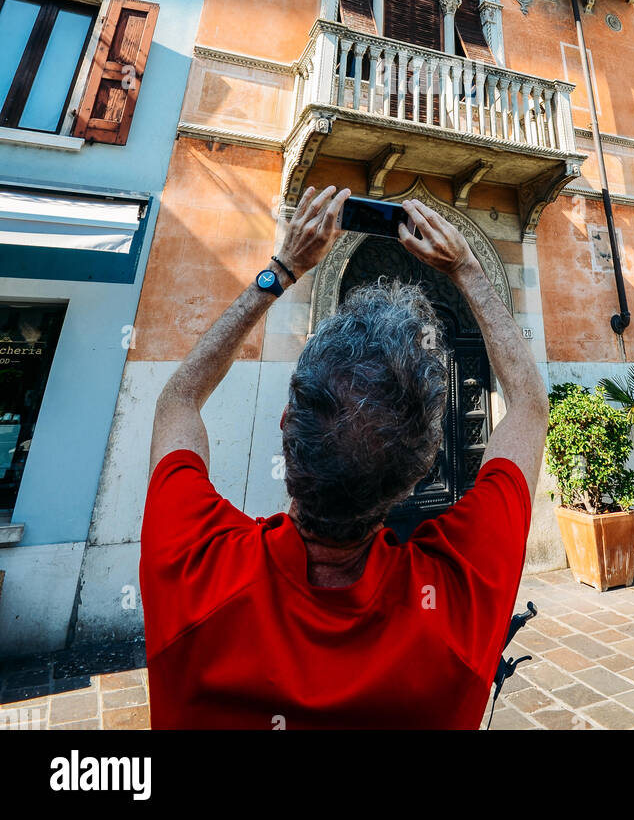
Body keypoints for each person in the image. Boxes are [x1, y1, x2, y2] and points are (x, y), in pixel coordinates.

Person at [140, 185, 549, 730]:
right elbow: (527, 404)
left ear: (286, 427)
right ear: (422, 467)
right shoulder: (457, 599)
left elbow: (179, 400)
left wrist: (282, 269)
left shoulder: (194, 570)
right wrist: (468, 270)